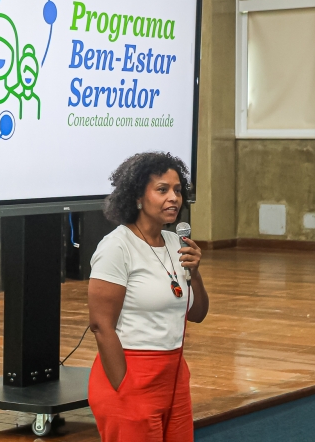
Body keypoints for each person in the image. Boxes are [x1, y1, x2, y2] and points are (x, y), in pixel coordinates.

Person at [88, 152, 209, 442]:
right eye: (162, 190)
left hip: (174, 378)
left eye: (177, 190)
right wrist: (124, 386)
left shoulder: (176, 243)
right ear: (138, 197)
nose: (173, 198)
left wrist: (195, 272)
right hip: (131, 376)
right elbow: (101, 325)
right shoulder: (117, 246)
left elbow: (197, 314)